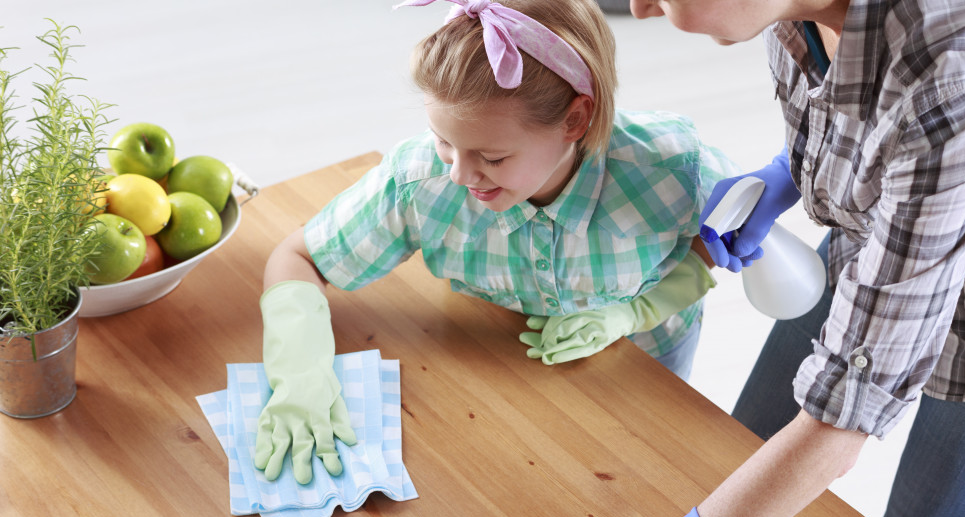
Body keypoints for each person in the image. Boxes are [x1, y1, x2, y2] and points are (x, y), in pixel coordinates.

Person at [435, 0, 965, 517]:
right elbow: (875, 130)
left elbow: (840, 422)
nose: (640, 7)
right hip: (880, 246)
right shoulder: (793, 15)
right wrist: (785, 174)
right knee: (735, 455)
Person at [255, 0, 740, 485]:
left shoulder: (674, 169)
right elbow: (298, 258)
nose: (459, 175)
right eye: (443, 140)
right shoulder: (420, 180)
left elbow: (722, 241)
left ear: (575, 121)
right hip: (502, 387)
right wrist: (300, 374)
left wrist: (637, 312)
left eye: (491, 156)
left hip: (648, 374)